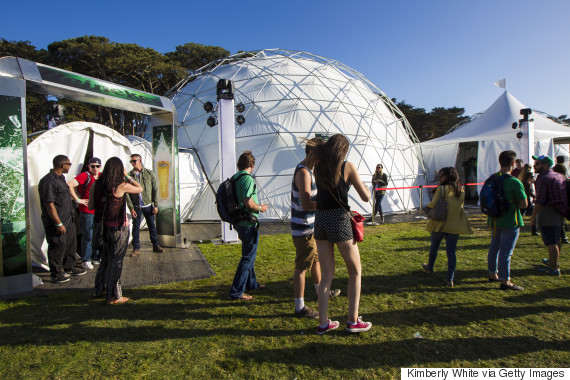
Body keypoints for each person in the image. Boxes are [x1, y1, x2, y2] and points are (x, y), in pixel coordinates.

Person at [310, 134, 372, 335]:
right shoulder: (347, 166)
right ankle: (353, 320)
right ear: (343, 150)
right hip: (339, 220)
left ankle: (323, 323)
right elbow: (365, 197)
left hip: (320, 220)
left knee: (327, 274)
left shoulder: (318, 166)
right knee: (355, 271)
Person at [291, 138, 341, 318]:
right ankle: (300, 307)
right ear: (312, 153)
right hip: (303, 229)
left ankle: (323, 292)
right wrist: (325, 202)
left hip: (311, 227)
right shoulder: (303, 172)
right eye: (320, 156)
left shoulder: (310, 171)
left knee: (316, 261)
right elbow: (306, 204)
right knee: (302, 267)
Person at [88, 157, 143, 304]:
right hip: (118, 228)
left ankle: (99, 289)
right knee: (116, 261)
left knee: (106, 259)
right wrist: (127, 176)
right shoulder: (121, 185)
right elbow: (140, 188)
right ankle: (114, 296)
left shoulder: (97, 184)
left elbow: (90, 206)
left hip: (104, 226)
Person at [38, 155, 87, 283]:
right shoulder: (49, 181)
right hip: (56, 221)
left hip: (68, 219)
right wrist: (58, 223)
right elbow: (49, 204)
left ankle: (68, 267)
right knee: (57, 245)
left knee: (70, 244)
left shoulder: (61, 179)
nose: (70, 166)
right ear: (61, 165)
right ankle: (56, 273)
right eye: (68, 164)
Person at [422, 167, 473, 287]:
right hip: (454, 225)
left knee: (434, 246)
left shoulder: (441, 189)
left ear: (447, 176)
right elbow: (460, 206)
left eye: (441, 175)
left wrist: (426, 210)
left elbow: (433, 204)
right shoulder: (461, 190)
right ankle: (450, 278)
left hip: (440, 223)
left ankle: (430, 267)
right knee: (451, 252)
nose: (439, 177)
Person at [229, 151, 268, 300]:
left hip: (240, 221)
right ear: (252, 165)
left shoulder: (235, 178)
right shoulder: (247, 179)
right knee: (248, 257)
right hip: (248, 222)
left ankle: (252, 284)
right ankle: (236, 291)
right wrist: (260, 208)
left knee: (248, 254)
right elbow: (248, 201)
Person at [487, 151, 528, 290]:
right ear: (512, 163)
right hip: (510, 220)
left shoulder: (492, 178)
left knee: (494, 247)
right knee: (506, 251)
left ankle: (493, 273)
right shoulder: (514, 182)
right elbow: (524, 204)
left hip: (494, 219)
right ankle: (505, 280)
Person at [531, 155, 566, 276]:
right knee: (556, 239)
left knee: (551, 241)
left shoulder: (543, 178)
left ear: (545, 165)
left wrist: (533, 216)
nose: (534, 166)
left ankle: (554, 267)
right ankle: (553, 261)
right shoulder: (557, 175)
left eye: (537, 164)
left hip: (548, 211)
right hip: (559, 210)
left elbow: (540, 201)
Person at [67, 157, 102, 270]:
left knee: (98, 235)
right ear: (89, 166)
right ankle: (86, 259)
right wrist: (78, 200)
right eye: (93, 166)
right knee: (88, 236)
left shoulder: (101, 176)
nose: (95, 168)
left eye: (97, 166)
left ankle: (96, 257)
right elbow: (70, 184)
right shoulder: (85, 175)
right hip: (87, 211)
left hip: (99, 211)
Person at [126, 154, 163, 256]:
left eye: (134, 161)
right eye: (131, 161)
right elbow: (127, 193)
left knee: (151, 225)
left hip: (147, 205)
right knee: (136, 227)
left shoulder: (149, 173)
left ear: (140, 160)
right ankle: (136, 248)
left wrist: (156, 205)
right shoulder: (129, 176)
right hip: (137, 206)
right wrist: (131, 208)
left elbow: (155, 189)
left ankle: (156, 245)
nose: (133, 163)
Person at [551, 160, 569, 244]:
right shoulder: (566, 181)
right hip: (566, 205)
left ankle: (563, 237)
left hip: (562, 205)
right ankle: (563, 237)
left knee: (560, 222)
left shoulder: (558, 181)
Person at [517, 164, 538, 236]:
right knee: (534, 216)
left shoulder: (522, 179)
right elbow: (529, 192)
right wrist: (535, 196)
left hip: (523, 200)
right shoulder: (527, 183)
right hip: (527, 200)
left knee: (520, 215)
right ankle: (534, 230)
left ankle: (517, 227)